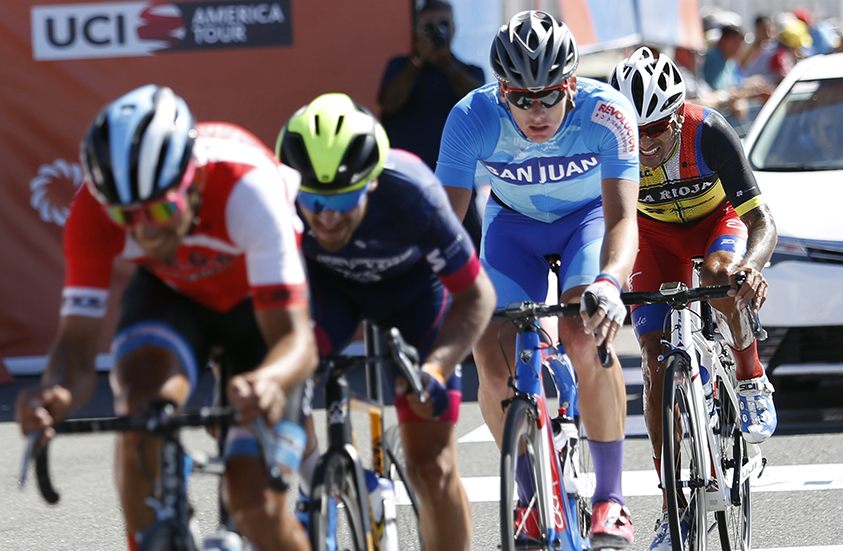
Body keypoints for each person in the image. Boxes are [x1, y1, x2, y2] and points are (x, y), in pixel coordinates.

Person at [15, 85, 318, 551]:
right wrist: (55, 392)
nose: (145, 231)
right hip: (173, 297)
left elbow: (296, 341)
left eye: (161, 209)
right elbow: (76, 346)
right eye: (126, 216)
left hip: (259, 317)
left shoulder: (247, 187)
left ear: (193, 181)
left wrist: (269, 381)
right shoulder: (93, 210)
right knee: (139, 410)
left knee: (255, 506)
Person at [436, 10, 640, 549]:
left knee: (584, 333)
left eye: (548, 95)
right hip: (513, 229)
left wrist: (609, 283)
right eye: (519, 97)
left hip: (587, 223)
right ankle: (529, 496)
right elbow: (444, 226)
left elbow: (623, 220)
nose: (535, 111)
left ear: (570, 83)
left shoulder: (608, 112)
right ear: (500, 90)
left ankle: (611, 499)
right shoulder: (471, 116)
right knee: (491, 358)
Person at [276, 93, 496, 551]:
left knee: (432, 466)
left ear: (371, 183)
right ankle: (317, 480)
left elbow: (477, 295)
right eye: (313, 200)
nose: (327, 216)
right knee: (281, 378)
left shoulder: (411, 193)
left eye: (344, 200)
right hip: (328, 292)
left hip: (413, 296)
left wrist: (437, 368)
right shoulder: (276, 196)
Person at [609, 48, 778, 551]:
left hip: (715, 226)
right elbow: (600, 221)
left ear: (678, 115)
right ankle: (672, 507)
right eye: (635, 130)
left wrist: (752, 267)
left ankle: (749, 373)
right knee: (654, 362)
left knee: (720, 275)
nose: (645, 143)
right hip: (653, 240)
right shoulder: (612, 144)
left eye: (657, 129)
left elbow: (761, 221)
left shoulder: (710, 131)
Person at [378, 0, 486, 250]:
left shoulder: (470, 71)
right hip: (406, 183)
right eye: (429, 27)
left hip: (457, 184)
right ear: (416, 31)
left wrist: (446, 64)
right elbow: (389, 103)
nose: (438, 32)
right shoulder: (400, 67)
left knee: (468, 251)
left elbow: (478, 105)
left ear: (454, 28)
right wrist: (418, 60)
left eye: (443, 25)